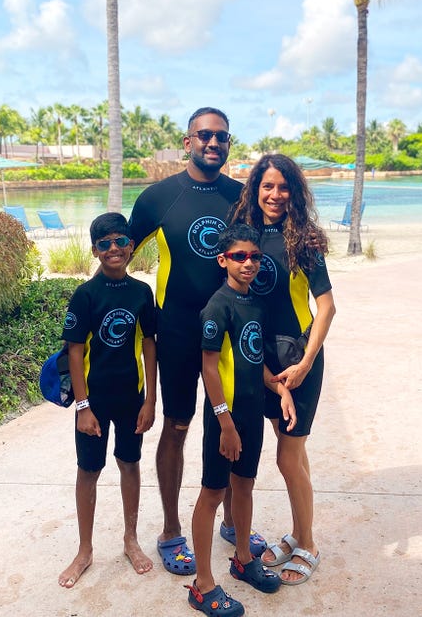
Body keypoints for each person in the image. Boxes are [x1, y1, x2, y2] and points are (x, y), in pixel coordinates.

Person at [128, 107, 265, 576]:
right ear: (187, 141)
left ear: (229, 144)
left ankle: (230, 520)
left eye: (222, 137)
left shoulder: (241, 196)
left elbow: (261, 250)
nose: (213, 143)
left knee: (233, 418)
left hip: (232, 329)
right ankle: (170, 530)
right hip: (180, 330)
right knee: (180, 424)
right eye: (204, 135)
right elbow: (117, 256)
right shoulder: (157, 198)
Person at [229, 153, 336, 586]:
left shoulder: (304, 239)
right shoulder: (246, 237)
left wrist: (306, 362)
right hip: (265, 362)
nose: (275, 194)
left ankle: (308, 543)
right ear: (256, 189)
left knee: (288, 458)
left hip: (300, 361)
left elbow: (326, 307)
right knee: (294, 451)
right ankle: (297, 532)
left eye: (283, 186)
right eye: (267, 186)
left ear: (294, 191)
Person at [186, 223, 294, 616]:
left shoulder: (254, 304)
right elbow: (209, 368)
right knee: (213, 494)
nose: (248, 263)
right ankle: (202, 584)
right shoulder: (218, 306)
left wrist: (277, 387)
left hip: (249, 412)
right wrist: (225, 422)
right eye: (239, 256)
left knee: (245, 487)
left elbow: (253, 359)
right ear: (223, 260)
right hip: (224, 418)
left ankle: (244, 558)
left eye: (254, 257)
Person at [56, 212, 158, 588]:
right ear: (95, 251)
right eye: (104, 244)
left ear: (131, 245)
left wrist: (151, 400)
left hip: (131, 397)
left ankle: (131, 539)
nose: (113, 249)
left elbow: (149, 344)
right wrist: (82, 407)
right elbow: (74, 351)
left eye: (120, 241)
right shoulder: (85, 295)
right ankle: (85, 550)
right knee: (89, 470)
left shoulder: (141, 292)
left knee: (129, 464)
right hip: (94, 402)